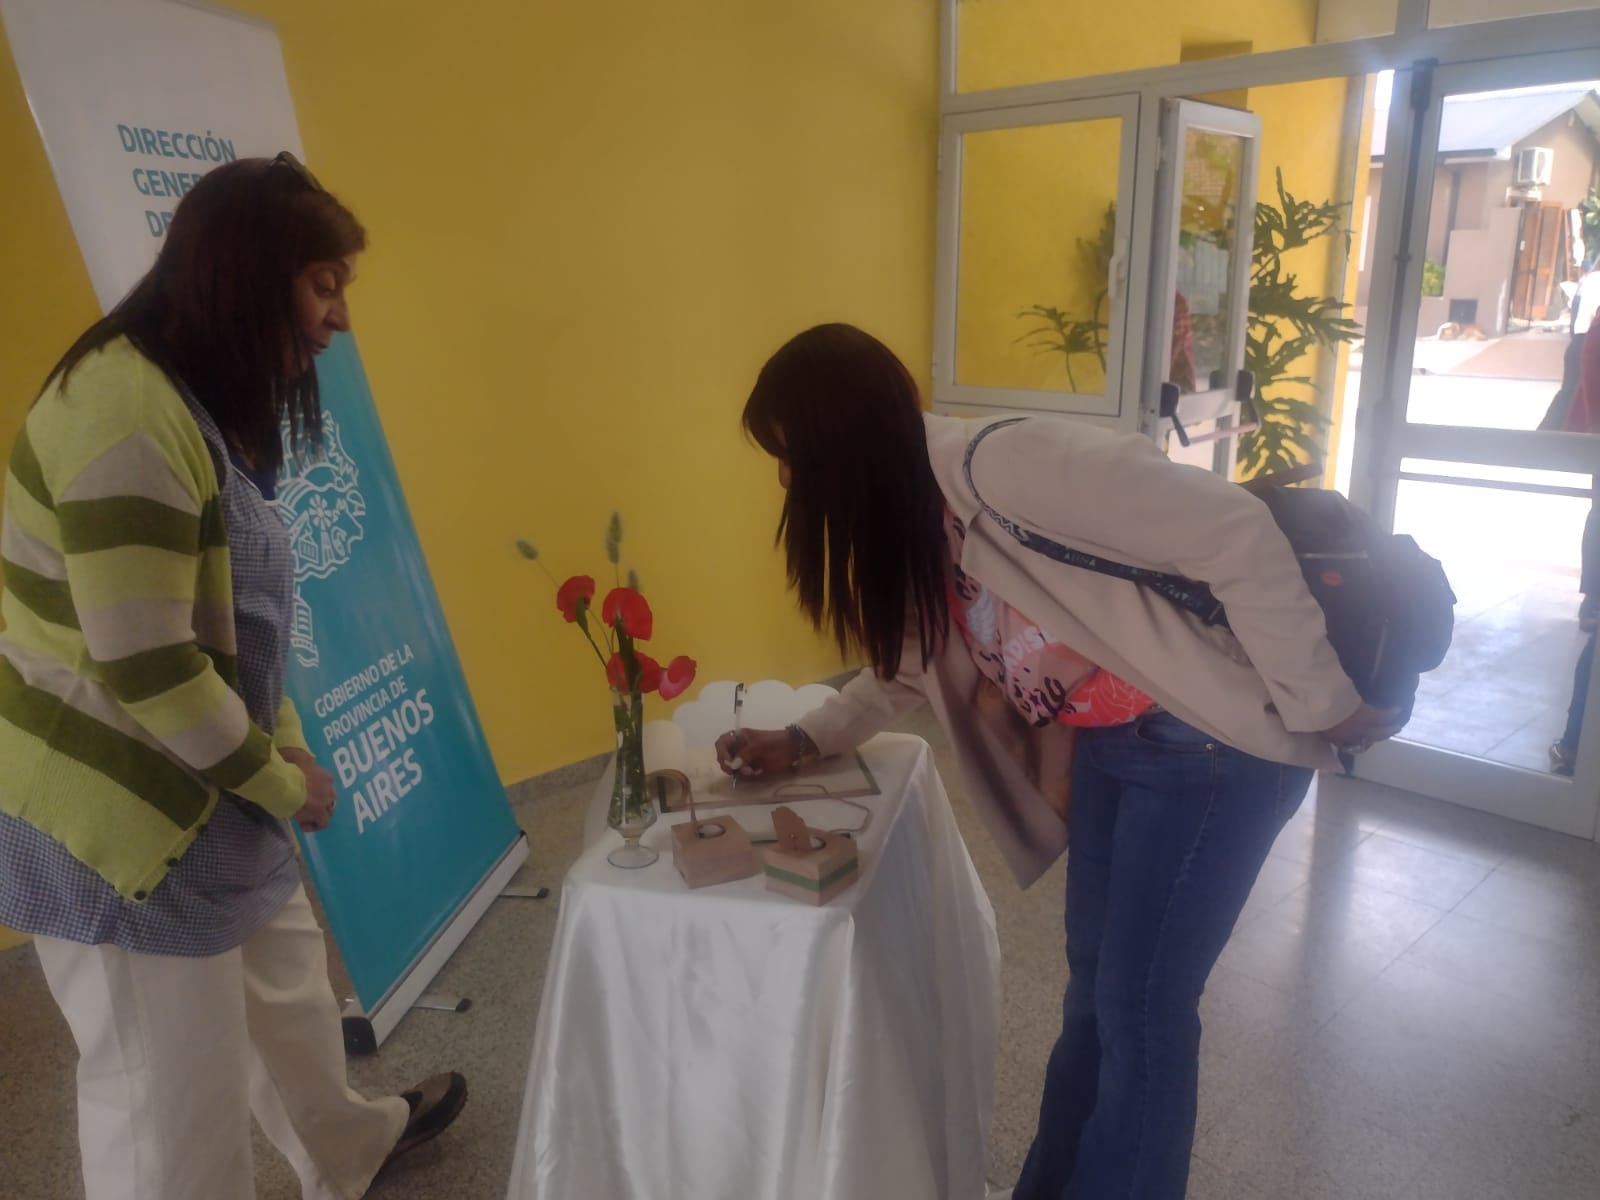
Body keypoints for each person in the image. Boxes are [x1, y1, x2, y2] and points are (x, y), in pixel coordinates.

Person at [716, 324, 1399, 1200]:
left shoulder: (1007, 468)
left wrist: (1326, 707)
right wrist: (805, 738)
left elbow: (1233, 530)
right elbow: (909, 661)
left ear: (838, 441)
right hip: (1122, 744)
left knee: (1142, 1010)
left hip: (1210, 748)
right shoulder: (917, 513)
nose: (784, 480)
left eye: (789, 457)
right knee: (1098, 993)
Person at [0, 156, 466, 1200]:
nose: (337, 317)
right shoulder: (123, 414)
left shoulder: (188, 397)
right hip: (116, 818)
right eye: (323, 284)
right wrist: (281, 779)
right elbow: (151, 665)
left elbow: (238, 618)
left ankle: (346, 1147)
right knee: (170, 1103)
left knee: (286, 988)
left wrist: (281, 742)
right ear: (249, 278)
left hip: (197, 773)